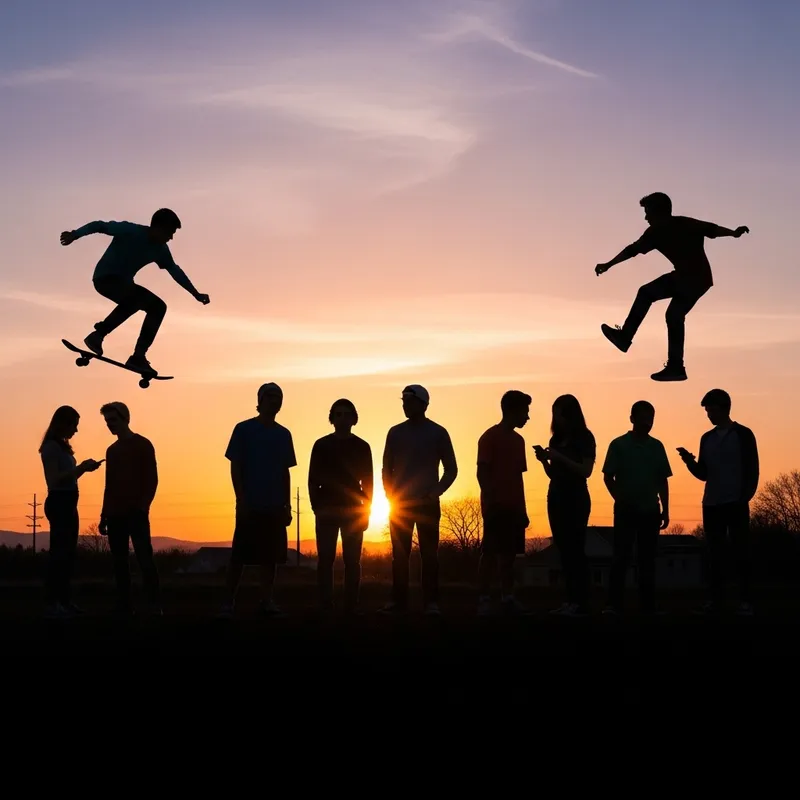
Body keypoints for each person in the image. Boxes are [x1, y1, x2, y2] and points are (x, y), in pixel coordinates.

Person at [595, 192, 749, 381]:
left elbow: (712, 230)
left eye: (648, 212)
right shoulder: (656, 232)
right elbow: (632, 250)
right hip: (700, 281)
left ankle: (625, 337)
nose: (645, 218)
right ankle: (676, 367)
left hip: (688, 278)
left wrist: (733, 233)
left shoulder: (680, 225)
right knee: (674, 315)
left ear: (659, 212)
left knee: (646, 293)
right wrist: (609, 264)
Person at [59, 208, 210, 375]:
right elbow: (99, 225)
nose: (171, 237)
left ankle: (113, 343)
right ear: (158, 227)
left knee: (154, 306)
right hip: (104, 279)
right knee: (140, 301)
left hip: (124, 285)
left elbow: (175, 271)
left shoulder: (161, 249)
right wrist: (75, 234)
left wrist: (195, 293)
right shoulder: (131, 230)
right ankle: (124, 349)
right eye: (170, 232)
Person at [677, 389, 759, 616]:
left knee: (741, 552)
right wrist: (689, 462)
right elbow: (704, 473)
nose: (708, 414)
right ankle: (715, 601)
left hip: (735, 502)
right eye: (707, 410)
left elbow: (752, 468)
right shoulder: (707, 438)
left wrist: (746, 496)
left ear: (724, 408)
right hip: (711, 503)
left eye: (711, 409)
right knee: (715, 555)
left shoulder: (743, 435)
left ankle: (746, 601)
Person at [219, 383, 296, 617]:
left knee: (270, 558)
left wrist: (287, 504)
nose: (275, 401)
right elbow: (236, 466)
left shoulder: (284, 434)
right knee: (239, 556)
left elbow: (286, 471)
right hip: (250, 503)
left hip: (274, 505)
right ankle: (228, 602)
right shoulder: (243, 429)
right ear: (261, 400)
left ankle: (266, 600)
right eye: (271, 396)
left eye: (279, 397)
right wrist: (240, 499)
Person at [380, 385, 458, 616]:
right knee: (399, 555)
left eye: (410, 401)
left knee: (429, 555)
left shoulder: (438, 433)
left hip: (426, 504)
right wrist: (389, 493)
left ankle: (431, 602)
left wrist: (434, 492)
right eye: (403, 400)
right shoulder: (394, 432)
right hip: (400, 504)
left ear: (423, 404)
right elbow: (387, 467)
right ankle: (398, 601)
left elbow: (451, 469)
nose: (405, 405)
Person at [602, 401, 672, 616]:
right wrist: (619, 498)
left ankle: (648, 605)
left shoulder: (657, 446)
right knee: (620, 558)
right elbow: (607, 476)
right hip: (626, 511)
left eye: (650, 419)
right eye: (642, 418)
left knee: (647, 560)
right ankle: (614, 604)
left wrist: (665, 509)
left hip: (650, 510)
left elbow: (662, 480)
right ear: (631, 418)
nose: (646, 423)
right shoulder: (618, 445)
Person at [308, 399, 373, 614]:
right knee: (325, 559)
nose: (343, 418)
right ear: (332, 418)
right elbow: (312, 479)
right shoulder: (321, 445)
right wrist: (316, 505)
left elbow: (368, 481)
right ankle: (325, 604)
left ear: (354, 418)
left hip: (354, 510)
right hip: (326, 509)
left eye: (347, 414)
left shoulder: (362, 447)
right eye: (338, 414)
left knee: (352, 560)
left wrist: (367, 510)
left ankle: (351, 605)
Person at [533, 394, 596, 617]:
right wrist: (544, 461)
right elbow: (553, 474)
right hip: (557, 495)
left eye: (558, 413)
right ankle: (570, 601)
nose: (555, 418)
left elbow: (585, 470)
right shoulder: (556, 440)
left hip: (576, 496)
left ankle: (581, 601)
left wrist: (560, 458)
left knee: (576, 549)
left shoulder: (585, 438)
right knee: (564, 550)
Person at [38, 406, 103, 618]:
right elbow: (54, 480)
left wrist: (83, 470)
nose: (76, 430)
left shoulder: (62, 447)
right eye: (74, 425)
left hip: (68, 503)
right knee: (59, 555)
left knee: (67, 555)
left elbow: (68, 477)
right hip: (59, 503)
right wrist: (81, 468)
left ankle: (64, 602)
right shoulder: (51, 447)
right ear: (62, 424)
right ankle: (52, 603)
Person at [98, 402, 161, 616]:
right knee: (120, 562)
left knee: (145, 559)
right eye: (107, 421)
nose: (110, 425)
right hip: (115, 514)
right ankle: (125, 605)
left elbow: (151, 480)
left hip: (136, 513)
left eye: (113, 420)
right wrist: (104, 514)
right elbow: (109, 484)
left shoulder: (143, 445)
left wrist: (143, 507)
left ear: (125, 418)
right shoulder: (112, 451)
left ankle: (153, 604)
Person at [476, 390, 531, 616]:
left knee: (509, 556)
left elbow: (518, 478)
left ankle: (507, 597)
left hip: (514, 506)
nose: (527, 417)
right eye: (525, 411)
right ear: (512, 411)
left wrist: (522, 508)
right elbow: (482, 472)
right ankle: (484, 599)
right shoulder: (489, 437)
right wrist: (491, 502)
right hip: (495, 507)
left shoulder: (519, 441)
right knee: (490, 553)